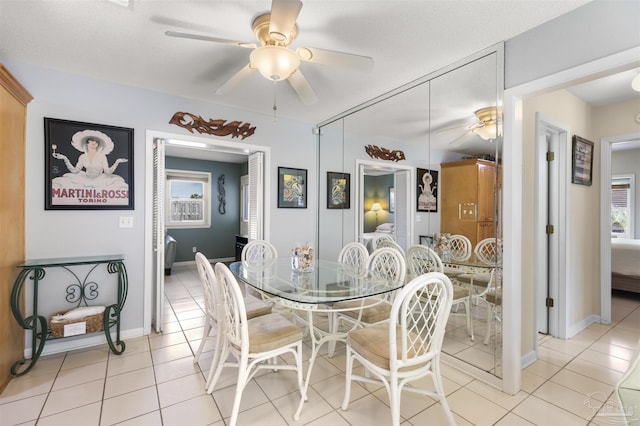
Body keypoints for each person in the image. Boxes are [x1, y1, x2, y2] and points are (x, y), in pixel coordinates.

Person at [52, 129, 128, 190]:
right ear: (87, 143)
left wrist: (117, 162)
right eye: (91, 140)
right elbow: (75, 171)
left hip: (100, 180)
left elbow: (108, 172)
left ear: (98, 144)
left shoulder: (102, 156)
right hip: (85, 179)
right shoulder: (82, 156)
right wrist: (65, 159)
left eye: (96, 141)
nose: (94, 142)